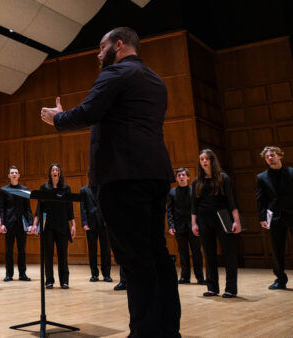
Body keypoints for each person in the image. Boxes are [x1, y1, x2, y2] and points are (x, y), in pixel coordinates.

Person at [40, 27, 180, 337]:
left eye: (102, 48)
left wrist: (57, 119)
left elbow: (89, 112)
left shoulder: (115, 74)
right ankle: (168, 330)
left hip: (123, 177)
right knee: (157, 254)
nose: (98, 54)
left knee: (135, 259)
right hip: (156, 175)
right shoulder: (157, 81)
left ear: (119, 45)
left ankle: (145, 332)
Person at [191, 149, 241, 298]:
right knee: (209, 253)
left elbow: (232, 201)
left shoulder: (223, 178)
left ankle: (230, 288)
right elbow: (194, 205)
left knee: (229, 253)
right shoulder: (196, 181)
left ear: (213, 160)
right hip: (203, 219)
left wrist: (236, 221)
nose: (204, 161)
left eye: (207, 158)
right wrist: (194, 223)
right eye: (201, 159)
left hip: (223, 218)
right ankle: (212, 287)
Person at [256, 146, 293, 290]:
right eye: (267, 156)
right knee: (277, 250)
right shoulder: (261, 177)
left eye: (272, 155)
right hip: (274, 217)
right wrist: (262, 217)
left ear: (280, 156)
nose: (270, 158)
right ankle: (280, 280)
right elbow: (260, 199)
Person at [33, 163, 76, 289]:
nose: (55, 171)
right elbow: (39, 208)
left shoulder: (66, 189)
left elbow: (70, 208)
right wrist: (35, 224)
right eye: (53, 170)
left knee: (63, 255)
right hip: (48, 226)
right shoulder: (44, 188)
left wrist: (73, 225)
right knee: (48, 254)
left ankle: (64, 281)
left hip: (62, 225)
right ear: (50, 173)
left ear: (60, 173)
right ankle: (49, 280)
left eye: (57, 169)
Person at [167, 168, 205, 285]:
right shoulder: (172, 192)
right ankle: (185, 277)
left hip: (193, 226)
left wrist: (199, 224)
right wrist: (171, 225)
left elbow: (199, 209)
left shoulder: (194, 191)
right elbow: (170, 211)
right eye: (179, 175)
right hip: (179, 227)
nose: (181, 177)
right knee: (183, 253)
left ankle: (200, 277)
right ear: (176, 178)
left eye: (183, 175)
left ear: (188, 177)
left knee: (197, 253)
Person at [0, 165, 33, 282]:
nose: (14, 174)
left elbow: (28, 208)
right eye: (12, 172)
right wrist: (2, 223)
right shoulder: (4, 190)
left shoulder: (24, 189)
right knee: (8, 250)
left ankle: (22, 274)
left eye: (16, 172)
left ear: (19, 175)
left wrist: (30, 223)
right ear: (9, 175)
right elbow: (1, 208)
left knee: (22, 250)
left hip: (21, 224)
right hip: (9, 223)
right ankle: (9, 274)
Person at [80, 184, 112, 283]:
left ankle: (106, 274)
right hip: (90, 223)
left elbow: (108, 205)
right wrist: (84, 223)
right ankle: (94, 274)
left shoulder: (104, 188)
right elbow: (83, 207)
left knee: (106, 250)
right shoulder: (84, 190)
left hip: (104, 223)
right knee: (92, 250)